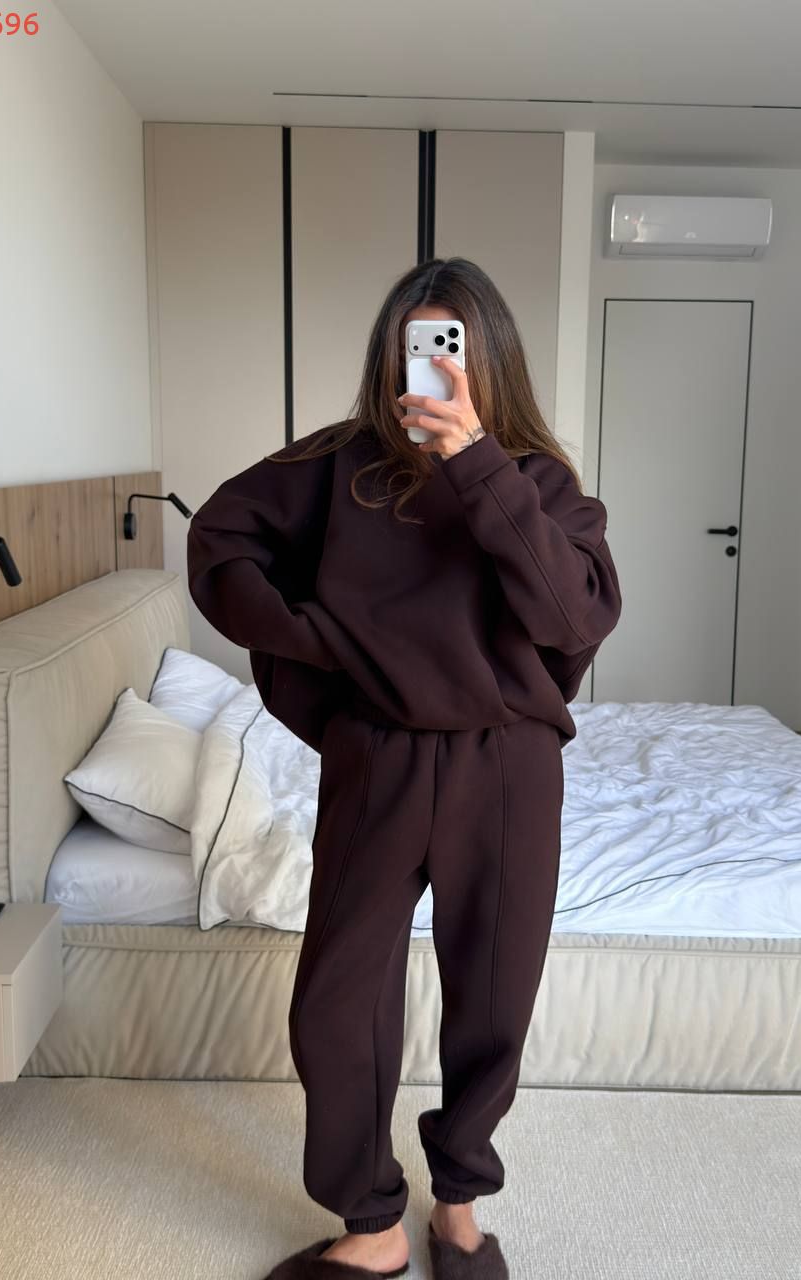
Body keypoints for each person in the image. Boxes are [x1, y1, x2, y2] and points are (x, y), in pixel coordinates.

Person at [185, 257, 622, 1280]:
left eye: (448, 347)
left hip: (507, 767)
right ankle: (373, 1220)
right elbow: (218, 542)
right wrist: (322, 647)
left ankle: (458, 1203)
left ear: (486, 357)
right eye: (413, 347)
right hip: (377, 757)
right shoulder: (336, 465)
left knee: (494, 998)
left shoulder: (538, 481)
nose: (428, 367)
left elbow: (573, 617)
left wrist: (475, 461)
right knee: (335, 1002)